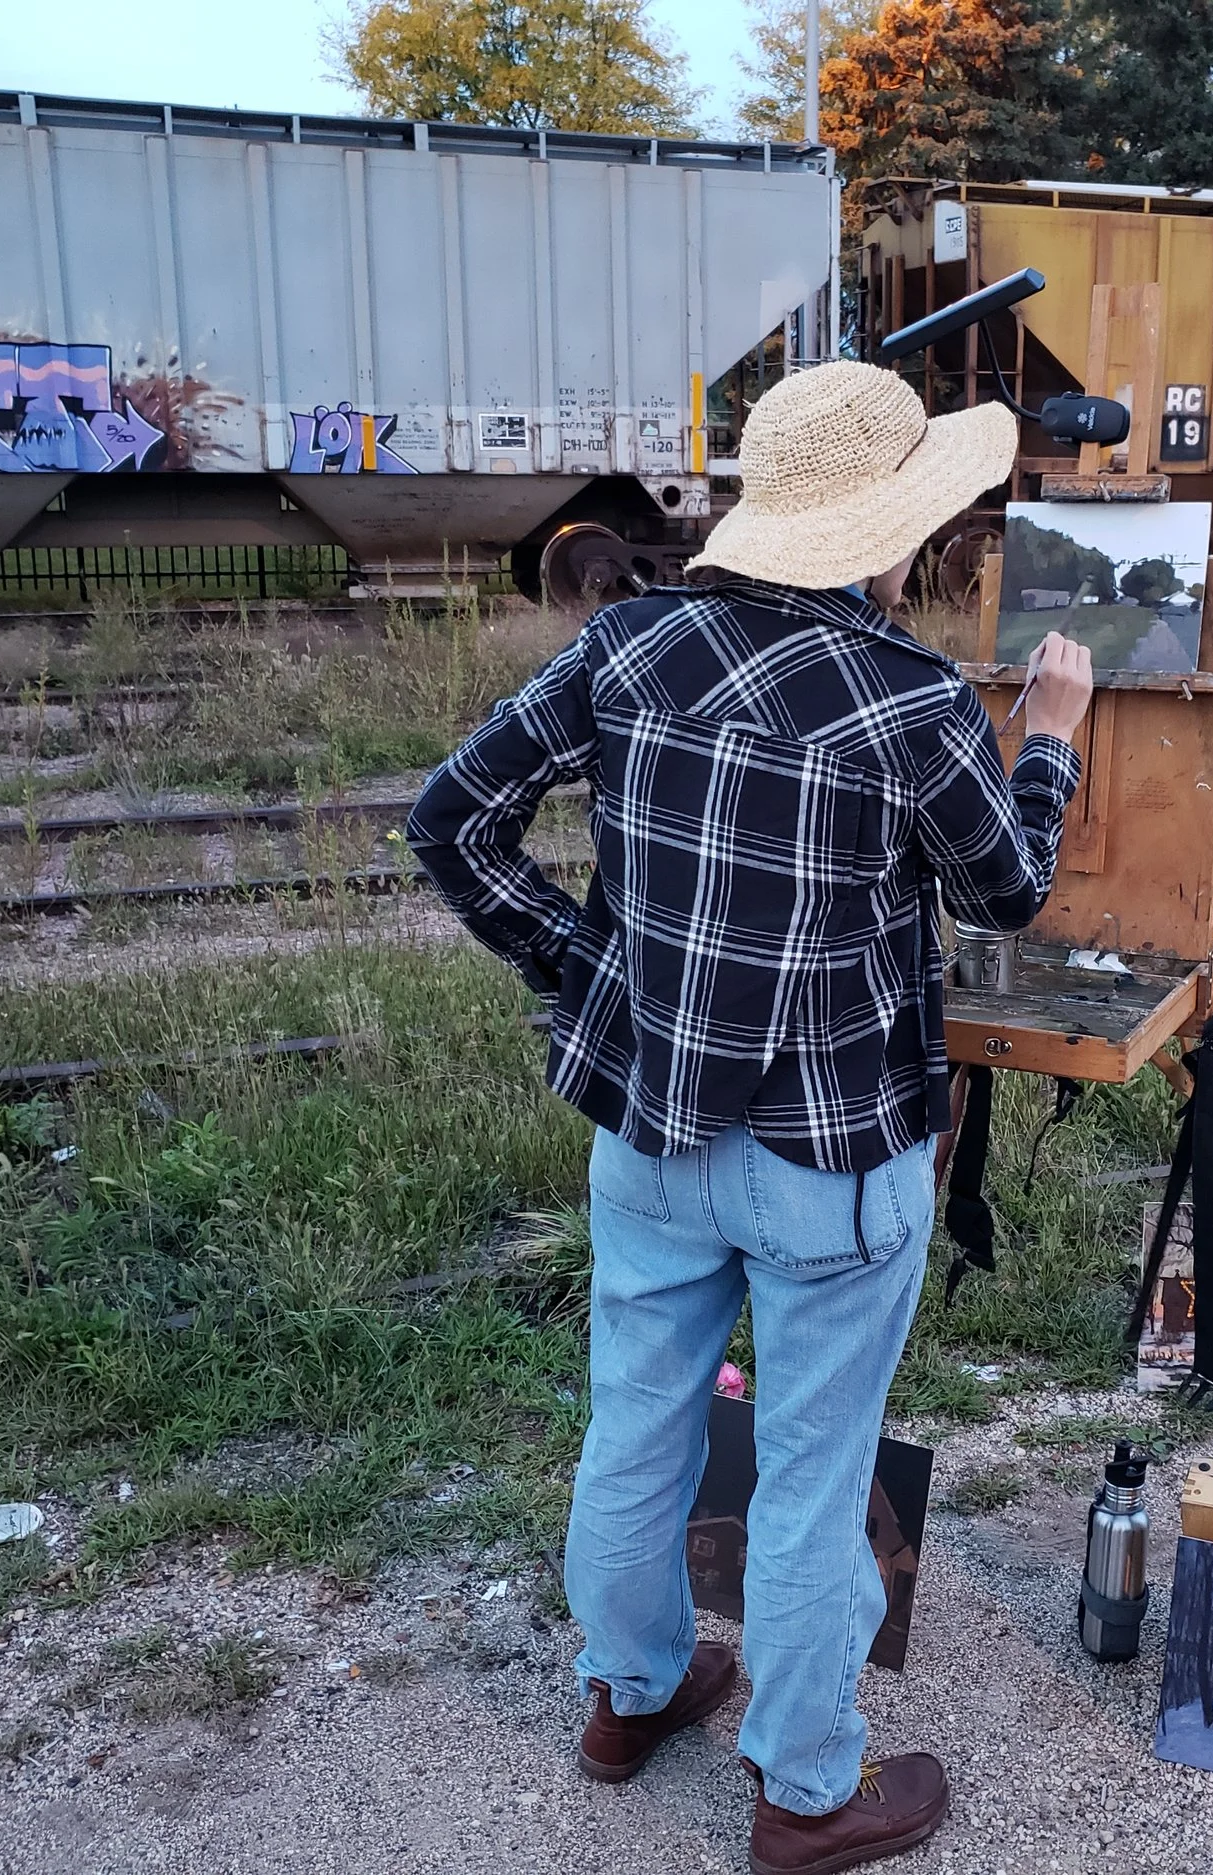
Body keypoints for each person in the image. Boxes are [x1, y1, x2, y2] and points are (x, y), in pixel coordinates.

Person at [408, 360, 1093, 1875]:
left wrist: (591, 965)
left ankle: (628, 1695)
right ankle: (803, 1789)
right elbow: (1011, 892)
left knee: (636, 1427)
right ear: (886, 535)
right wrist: (1050, 734)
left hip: (648, 1137)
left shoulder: (629, 647)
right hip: (831, 1157)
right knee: (809, 1472)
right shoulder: (911, 701)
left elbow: (450, 821)